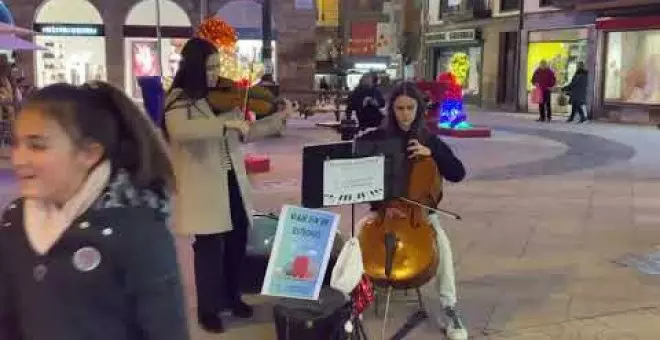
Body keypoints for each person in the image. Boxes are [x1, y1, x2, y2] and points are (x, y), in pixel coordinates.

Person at [0, 81, 187, 340]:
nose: (19, 159)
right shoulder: (14, 221)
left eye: (37, 146)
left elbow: (166, 331)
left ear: (89, 153)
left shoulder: (137, 231)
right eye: (16, 143)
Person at [164, 37, 283, 333]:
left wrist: (278, 119)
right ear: (193, 67)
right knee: (208, 249)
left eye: (217, 66)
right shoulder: (179, 98)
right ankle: (209, 310)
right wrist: (223, 124)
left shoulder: (222, 97)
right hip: (203, 187)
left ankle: (233, 297)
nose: (215, 73)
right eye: (209, 67)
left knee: (237, 242)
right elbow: (181, 131)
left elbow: (245, 132)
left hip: (231, 180)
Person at [356, 82, 467, 340]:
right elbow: (358, 165)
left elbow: (458, 173)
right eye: (399, 108)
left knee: (443, 245)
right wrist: (383, 204)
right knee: (355, 239)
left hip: (421, 215)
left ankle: (449, 307)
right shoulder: (378, 138)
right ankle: (354, 301)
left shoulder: (430, 139)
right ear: (391, 109)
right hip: (383, 213)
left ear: (419, 109)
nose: (404, 113)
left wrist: (433, 154)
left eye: (410, 108)